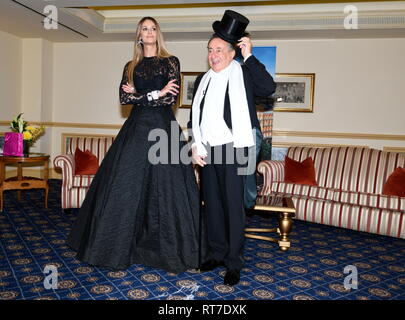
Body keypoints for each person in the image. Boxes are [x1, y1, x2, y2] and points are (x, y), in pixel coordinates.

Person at [67, 17, 205, 274]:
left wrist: (142, 96)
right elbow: (123, 97)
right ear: (139, 35)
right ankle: (114, 247)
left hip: (164, 130)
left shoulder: (170, 62)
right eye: (145, 28)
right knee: (125, 186)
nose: (149, 32)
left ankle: (175, 250)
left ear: (158, 34)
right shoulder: (131, 66)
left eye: (153, 28)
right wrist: (156, 93)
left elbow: (170, 100)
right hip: (136, 130)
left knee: (169, 189)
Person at [190, 10, 276, 286]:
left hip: (235, 149)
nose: (213, 54)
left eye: (218, 49)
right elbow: (195, 117)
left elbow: (268, 87)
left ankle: (234, 262)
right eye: (210, 49)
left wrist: (249, 56)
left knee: (233, 207)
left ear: (231, 52)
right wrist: (195, 144)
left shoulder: (244, 73)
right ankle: (216, 253)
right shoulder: (203, 80)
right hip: (209, 151)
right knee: (212, 205)